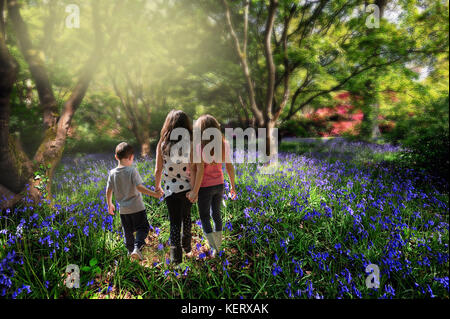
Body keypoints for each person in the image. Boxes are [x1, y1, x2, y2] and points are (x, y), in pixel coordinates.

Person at [187, 114, 237, 257]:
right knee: (216, 214)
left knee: (204, 216)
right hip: (219, 185)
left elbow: (200, 170)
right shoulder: (224, 144)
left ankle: (213, 246)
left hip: (204, 187)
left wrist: (194, 191)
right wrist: (232, 186)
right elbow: (229, 167)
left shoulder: (199, 146)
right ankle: (217, 247)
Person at [106, 142, 163, 261]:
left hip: (123, 210)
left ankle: (129, 252)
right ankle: (137, 249)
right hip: (137, 208)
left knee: (127, 232)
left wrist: (109, 204)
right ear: (131, 157)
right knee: (143, 228)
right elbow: (139, 187)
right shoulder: (132, 171)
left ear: (116, 157)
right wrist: (154, 194)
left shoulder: (112, 173)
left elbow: (108, 190)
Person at [154, 110, 195, 264]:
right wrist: (195, 188)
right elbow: (193, 168)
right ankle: (188, 248)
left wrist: (157, 186)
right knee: (187, 218)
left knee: (174, 223)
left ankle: (176, 259)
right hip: (187, 188)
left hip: (170, 190)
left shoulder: (162, 144)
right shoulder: (189, 144)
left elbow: (158, 169)